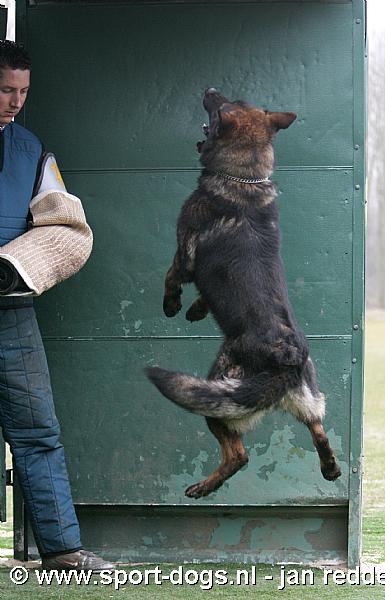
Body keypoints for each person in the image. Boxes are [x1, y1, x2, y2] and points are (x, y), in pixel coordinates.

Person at [0, 40, 114, 571]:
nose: (14, 101)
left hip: (11, 311)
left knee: (37, 428)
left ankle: (63, 549)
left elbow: (67, 228)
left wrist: (15, 267)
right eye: (5, 89)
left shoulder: (32, 150)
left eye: (22, 91)